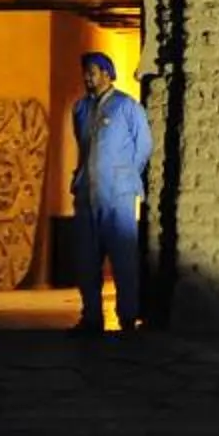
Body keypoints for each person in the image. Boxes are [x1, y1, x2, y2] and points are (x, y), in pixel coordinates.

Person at [66, 51, 152, 335]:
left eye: (93, 71)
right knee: (87, 261)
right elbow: (83, 147)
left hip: (118, 196)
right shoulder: (80, 109)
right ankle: (91, 317)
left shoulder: (127, 107)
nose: (88, 76)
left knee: (123, 258)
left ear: (107, 73)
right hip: (88, 194)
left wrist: (125, 175)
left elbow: (143, 147)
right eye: (85, 71)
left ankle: (127, 317)